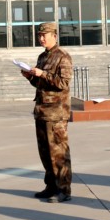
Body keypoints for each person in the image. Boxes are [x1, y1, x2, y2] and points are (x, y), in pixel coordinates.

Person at [21, 22, 73, 203]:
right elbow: (41, 84)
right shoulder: (43, 57)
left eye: (45, 35)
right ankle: (51, 186)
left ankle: (63, 189)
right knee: (45, 152)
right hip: (42, 111)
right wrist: (31, 77)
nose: (41, 38)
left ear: (54, 36)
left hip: (56, 113)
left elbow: (63, 83)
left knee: (58, 152)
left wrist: (42, 74)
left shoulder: (63, 57)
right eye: (40, 35)